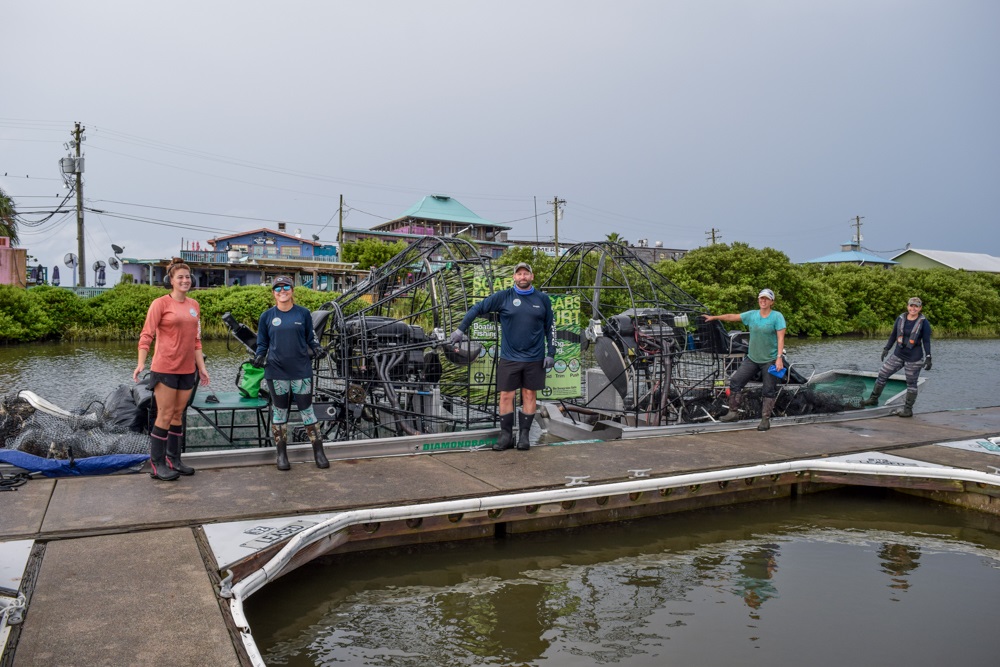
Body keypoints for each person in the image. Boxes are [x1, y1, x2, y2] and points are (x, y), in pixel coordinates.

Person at [450, 262, 555, 451]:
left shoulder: (543, 299)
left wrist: (551, 353)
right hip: (510, 357)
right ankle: (506, 436)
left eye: (526, 274)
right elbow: (477, 308)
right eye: (519, 274)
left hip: (535, 358)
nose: (522, 277)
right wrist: (460, 330)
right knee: (506, 396)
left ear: (532, 277)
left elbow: (550, 328)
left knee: (529, 394)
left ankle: (524, 436)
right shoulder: (504, 297)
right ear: (514, 277)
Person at [134, 259, 210, 481]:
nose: (185, 280)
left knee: (178, 414)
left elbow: (196, 342)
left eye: (188, 277)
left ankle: (173, 459)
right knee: (165, 414)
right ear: (171, 281)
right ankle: (156, 465)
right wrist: (141, 363)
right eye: (180, 277)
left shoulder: (194, 306)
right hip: (165, 367)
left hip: (187, 369)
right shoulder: (160, 304)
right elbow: (146, 335)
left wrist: (202, 369)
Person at [254, 276, 329, 470]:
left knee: (307, 411)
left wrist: (318, 348)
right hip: (276, 372)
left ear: (293, 290)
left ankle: (319, 453)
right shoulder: (266, 316)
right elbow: (262, 343)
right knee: (280, 412)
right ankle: (281, 456)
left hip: (301, 370)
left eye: (286, 286)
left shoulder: (303, 314)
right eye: (278, 288)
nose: (282, 290)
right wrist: (260, 355)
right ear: (273, 293)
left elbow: (311, 339)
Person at [702, 288, 787, 431]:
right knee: (735, 381)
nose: (763, 301)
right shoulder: (752, 315)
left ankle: (765, 419)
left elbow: (780, 338)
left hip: (770, 359)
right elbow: (732, 316)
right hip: (752, 358)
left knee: (768, 389)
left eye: (766, 298)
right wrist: (714, 318)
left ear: (772, 301)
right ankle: (733, 412)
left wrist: (779, 358)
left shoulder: (777, 317)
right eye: (761, 298)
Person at [862, 297, 931, 417]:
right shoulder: (900, 319)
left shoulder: (924, 322)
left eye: (916, 306)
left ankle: (908, 409)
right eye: (911, 305)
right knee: (882, 373)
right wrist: (886, 348)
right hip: (898, 354)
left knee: (911, 383)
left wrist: (929, 357)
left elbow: (926, 341)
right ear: (907, 306)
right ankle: (873, 399)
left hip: (914, 357)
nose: (913, 308)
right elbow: (894, 335)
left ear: (920, 308)